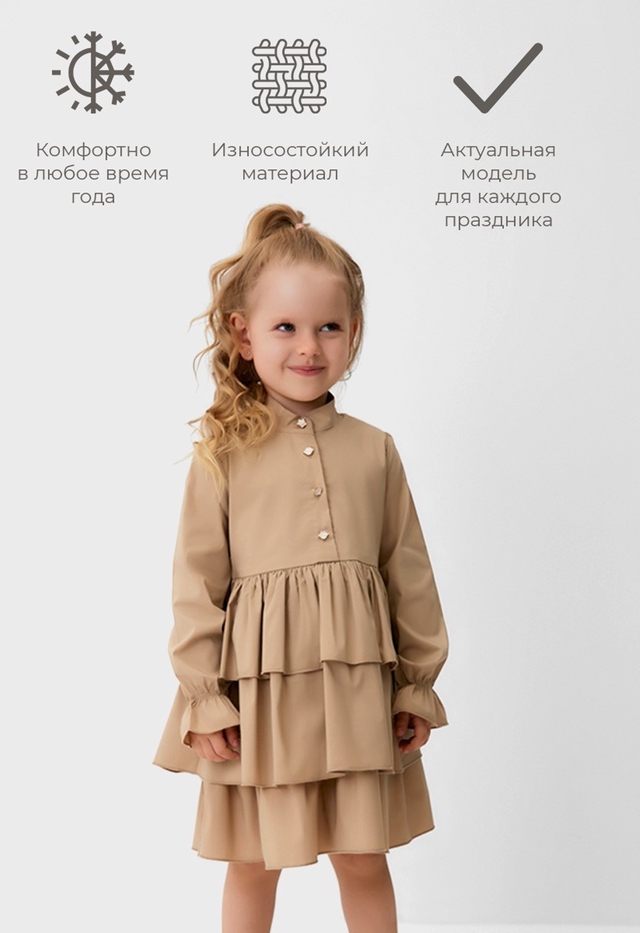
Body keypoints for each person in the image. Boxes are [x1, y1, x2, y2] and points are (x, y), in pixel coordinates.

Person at [153, 204, 449, 932]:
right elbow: (196, 587)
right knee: (252, 861)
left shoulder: (375, 449)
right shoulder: (222, 454)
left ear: (354, 332)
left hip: (356, 695)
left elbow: (408, 573)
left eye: (329, 327)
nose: (309, 347)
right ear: (242, 333)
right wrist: (205, 697)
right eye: (285, 326)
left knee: (363, 856)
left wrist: (415, 685)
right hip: (260, 703)